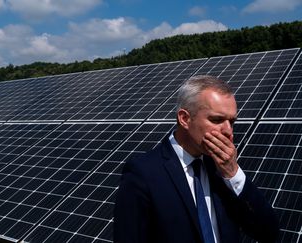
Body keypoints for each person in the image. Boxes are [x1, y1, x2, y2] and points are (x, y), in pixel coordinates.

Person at [113, 75, 279, 243]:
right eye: (217, 120)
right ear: (185, 119)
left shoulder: (222, 170)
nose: (228, 131)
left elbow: (268, 232)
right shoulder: (143, 173)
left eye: (232, 121)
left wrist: (233, 174)